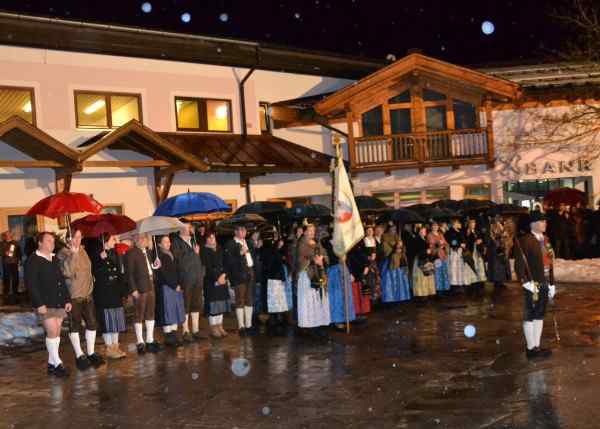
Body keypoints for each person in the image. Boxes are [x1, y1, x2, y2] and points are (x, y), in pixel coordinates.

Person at [25, 232, 71, 377]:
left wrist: (67, 300)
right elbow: (31, 284)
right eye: (49, 241)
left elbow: (61, 281)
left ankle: (51, 364)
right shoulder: (33, 260)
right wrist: (39, 304)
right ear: (40, 243)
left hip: (58, 301)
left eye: (53, 241)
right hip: (44, 303)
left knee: (56, 332)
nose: (52, 243)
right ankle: (57, 362)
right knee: (52, 331)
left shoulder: (54, 259)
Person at [58, 229, 105, 370]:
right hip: (74, 296)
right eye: (74, 237)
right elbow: (67, 272)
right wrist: (72, 254)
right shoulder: (63, 254)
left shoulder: (83, 251)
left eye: (80, 237)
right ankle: (79, 355)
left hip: (87, 294)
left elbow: (88, 269)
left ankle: (90, 352)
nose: (77, 240)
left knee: (92, 323)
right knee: (75, 325)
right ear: (68, 239)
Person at [514, 211, 556, 360]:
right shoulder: (524, 241)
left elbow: (550, 263)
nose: (545, 224)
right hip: (533, 283)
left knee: (540, 314)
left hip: (544, 282)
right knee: (530, 315)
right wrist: (526, 282)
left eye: (545, 221)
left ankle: (537, 346)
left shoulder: (546, 239)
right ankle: (530, 348)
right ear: (534, 224)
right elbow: (519, 265)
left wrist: (552, 283)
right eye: (542, 221)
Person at [91, 233, 128, 359]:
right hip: (104, 294)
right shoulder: (97, 254)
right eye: (113, 239)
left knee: (116, 320)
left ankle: (116, 347)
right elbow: (95, 272)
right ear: (105, 241)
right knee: (107, 321)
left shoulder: (115, 253)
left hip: (115, 292)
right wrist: (100, 260)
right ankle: (109, 348)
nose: (115, 241)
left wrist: (123, 291)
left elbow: (119, 272)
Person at [127, 234, 162, 354]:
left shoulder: (148, 252)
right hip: (140, 288)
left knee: (150, 312)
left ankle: (150, 339)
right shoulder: (132, 253)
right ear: (136, 240)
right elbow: (129, 273)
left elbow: (149, 267)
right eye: (141, 238)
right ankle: (140, 341)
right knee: (139, 314)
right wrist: (133, 289)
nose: (144, 240)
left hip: (150, 284)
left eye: (145, 238)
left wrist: (155, 265)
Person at [171, 221, 205, 343]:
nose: (191, 228)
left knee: (196, 303)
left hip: (197, 277)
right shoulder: (176, 242)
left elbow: (199, 259)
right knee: (186, 304)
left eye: (191, 226)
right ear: (180, 228)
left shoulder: (194, 240)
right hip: (185, 278)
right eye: (188, 226)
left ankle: (195, 330)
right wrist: (194, 253)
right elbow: (179, 260)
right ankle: (186, 330)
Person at [295, 221, 330, 330]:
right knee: (309, 298)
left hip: (319, 272)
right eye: (309, 230)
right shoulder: (301, 243)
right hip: (307, 275)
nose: (311, 232)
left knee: (319, 297)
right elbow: (302, 258)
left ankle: (319, 321)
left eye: (313, 230)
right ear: (305, 232)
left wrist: (322, 259)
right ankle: (309, 323)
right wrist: (315, 261)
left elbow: (324, 253)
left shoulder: (317, 242)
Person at [224, 225, 255, 336]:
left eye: (245, 230)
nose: (243, 232)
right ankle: (241, 326)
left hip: (249, 273)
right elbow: (229, 261)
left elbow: (253, 257)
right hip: (238, 275)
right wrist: (239, 253)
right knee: (240, 300)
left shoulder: (249, 242)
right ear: (235, 231)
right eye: (241, 230)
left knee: (249, 300)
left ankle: (249, 325)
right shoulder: (231, 244)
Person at [155, 235, 185, 348]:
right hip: (167, 287)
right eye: (165, 242)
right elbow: (163, 274)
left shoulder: (171, 254)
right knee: (168, 311)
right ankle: (168, 336)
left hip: (176, 286)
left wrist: (180, 283)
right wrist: (174, 285)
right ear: (159, 244)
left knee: (175, 310)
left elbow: (178, 270)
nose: (168, 244)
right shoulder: (160, 256)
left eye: (169, 241)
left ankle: (174, 334)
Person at [323, 232, 355, 331]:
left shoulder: (343, 242)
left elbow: (348, 258)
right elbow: (326, 259)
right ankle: (337, 320)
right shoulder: (326, 243)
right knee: (336, 296)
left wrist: (350, 273)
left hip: (344, 270)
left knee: (346, 295)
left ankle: (346, 318)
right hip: (333, 272)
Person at [202, 231, 230, 339]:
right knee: (213, 304)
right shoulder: (204, 250)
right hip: (211, 281)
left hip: (222, 279)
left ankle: (220, 325)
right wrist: (217, 278)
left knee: (221, 303)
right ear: (206, 239)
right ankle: (213, 327)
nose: (211, 240)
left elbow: (225, 263)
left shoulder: (219, 249)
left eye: (213, 237)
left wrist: (224, 275)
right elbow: (208, 267)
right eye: (209, 238)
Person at [263, 234, 292, 334]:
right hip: (274, 278)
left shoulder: (281, 252)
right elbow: (269, 265)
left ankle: (278, 318)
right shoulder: (271, 252)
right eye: (279, 242)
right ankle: (273, 319)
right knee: (274, 299)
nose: (281, 243)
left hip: (279, 278)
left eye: (282, 242)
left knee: (279, 299)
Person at [412, 226, 436, 301]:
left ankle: (428, 292)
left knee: (428, 275)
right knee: (421, 278)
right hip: (420, 260)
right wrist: (425, 251)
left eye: (425, 231)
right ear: (419, 232)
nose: (424, 232)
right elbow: (415, 251)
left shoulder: (425, 239)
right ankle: (421, 294)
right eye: (423, 231)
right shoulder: (417, 240)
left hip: (426, 259)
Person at [487, 218, 511, 288]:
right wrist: (501, 235)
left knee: (502, 265)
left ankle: (501, 281)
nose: (500, 218)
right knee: (497, 265)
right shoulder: (492, 226)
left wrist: (505, 233)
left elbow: (505, 235)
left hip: (502, 247)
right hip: (496, 248)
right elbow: (493, 237)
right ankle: (497, 281)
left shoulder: (501, 224)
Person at [464, 218, 487, 291]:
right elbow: (466, 241)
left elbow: (482, 238)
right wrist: (473, 240)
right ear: (469, 224)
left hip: (478, 251)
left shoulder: (477, 231)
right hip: (471, 251)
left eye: (474, 223)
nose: (473, 224)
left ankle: (480, 281)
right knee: (472, 265)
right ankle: (473, 282)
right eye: (471, 223)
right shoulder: (467, 232)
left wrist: (481, 241)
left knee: (479, 265)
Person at [445, 219, 467, 292]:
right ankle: (454, 285)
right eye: (458, 223)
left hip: (460, 251)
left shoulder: (459, 231)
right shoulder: (450, 232)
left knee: (459, 268)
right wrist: (459, 244)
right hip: (454, 251)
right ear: (454, 223)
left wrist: (463, 244)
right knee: (453, 268)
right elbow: (452, 242)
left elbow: (463, 239)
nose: (459, 224)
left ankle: (459, 283)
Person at [428, 221, 450, 294]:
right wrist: (438, 244)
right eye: (434, 226)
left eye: (436, 226)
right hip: (436, 256)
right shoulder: (430, 235)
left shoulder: (440, 234)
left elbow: (446, 243)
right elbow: (430, 246)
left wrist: (444, 245)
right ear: (431, 227)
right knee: (438, 273)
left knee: (444, 272)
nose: (435, 227)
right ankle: (439, 290)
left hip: (443, 255)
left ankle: (445, 288)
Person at [1, 231, 21, 300]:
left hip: (14, 263)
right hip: (6, 263)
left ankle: (15, 292)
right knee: (6, 277)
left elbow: (19, 252)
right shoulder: (2, 243)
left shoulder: (15, 243)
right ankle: (6, 292)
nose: (9, 235)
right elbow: (1, 252)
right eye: (7, 234)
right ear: (5, 235)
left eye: (10, 234)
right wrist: (4, 253)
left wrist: (19, 261)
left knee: (15, 277)